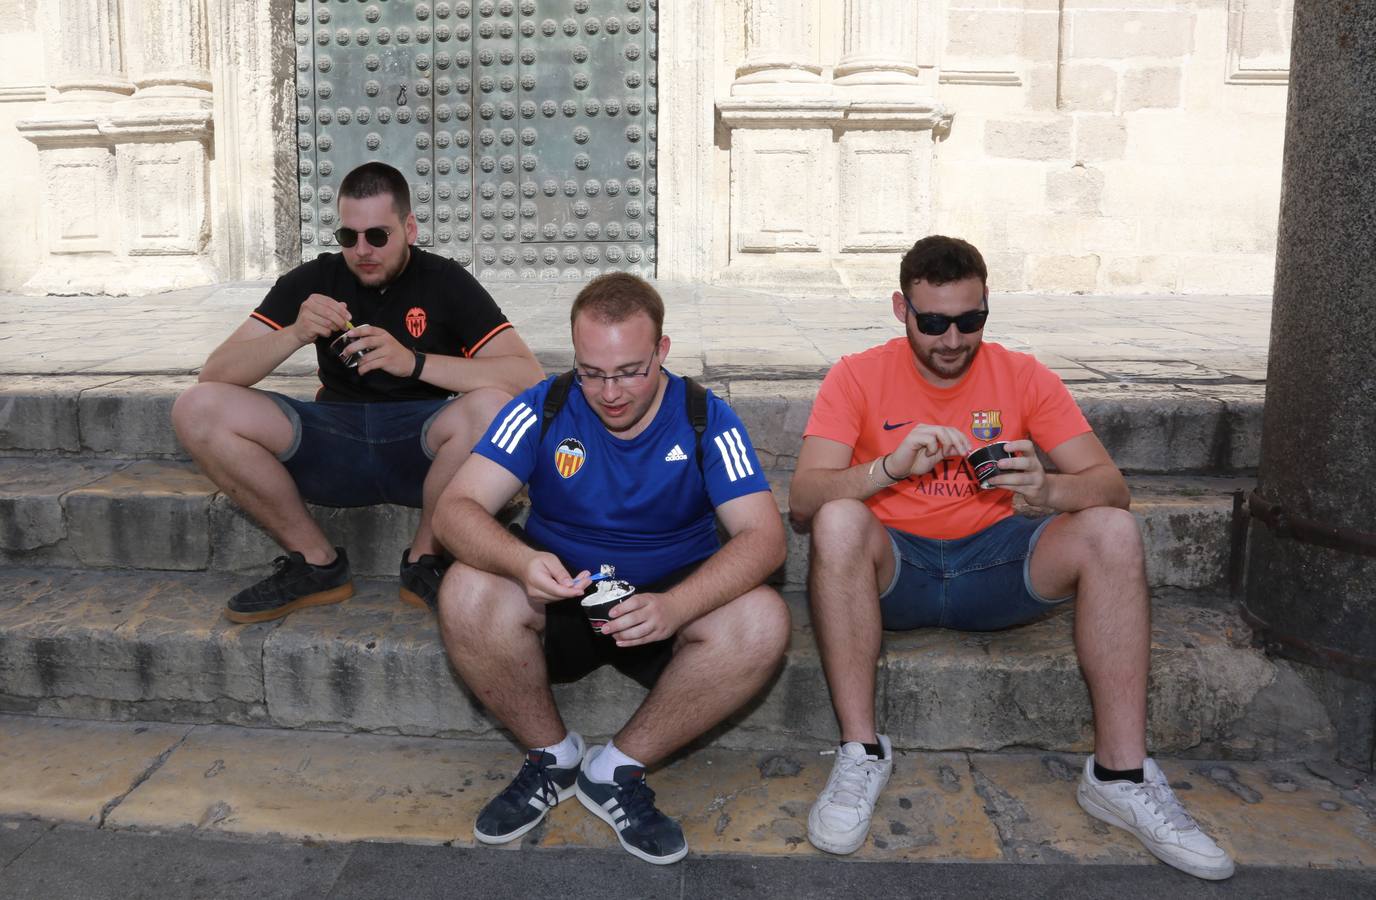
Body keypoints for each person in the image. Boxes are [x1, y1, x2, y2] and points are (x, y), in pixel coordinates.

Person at [788, 235, 1234, 880]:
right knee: (836, 519)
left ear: (987, 306)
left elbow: (1112, 488)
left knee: (1110, 531)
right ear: (900, 309)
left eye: (970, 320)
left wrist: (1046, 490)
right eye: (933, 322)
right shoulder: (857, 374)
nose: (951, 339)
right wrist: (885, 468)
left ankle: (1119, 774)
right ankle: (861, 750)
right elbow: (802, 499)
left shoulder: (1023, 374)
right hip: (897, 572)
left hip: (999, 566)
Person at [433, 272, 789, 865]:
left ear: (663, 352)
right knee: (466, 587)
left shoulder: (706, 417)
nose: (610, 392)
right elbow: (454, 510)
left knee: (764, 619)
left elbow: (765, 539)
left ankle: (615, 771)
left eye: (630, 371)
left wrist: (676, 606)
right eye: (592, 372)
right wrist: (521, 562)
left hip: (665, 612)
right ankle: (552, 757)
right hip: (563, 600)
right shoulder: (544, 405)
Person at [172, 162, 543, 623]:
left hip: (424, 449)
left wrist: (414, 362)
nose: (362, 250)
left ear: (409, 228)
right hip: (332, 442)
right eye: (349, 237)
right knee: (196, 406)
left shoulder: (445, 281)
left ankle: (425, 559)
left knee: (494, 406)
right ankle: (316, 562)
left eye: (378, 236)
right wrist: (294, 332)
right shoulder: (313, 281)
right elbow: (217, 372)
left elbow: (527, 377)